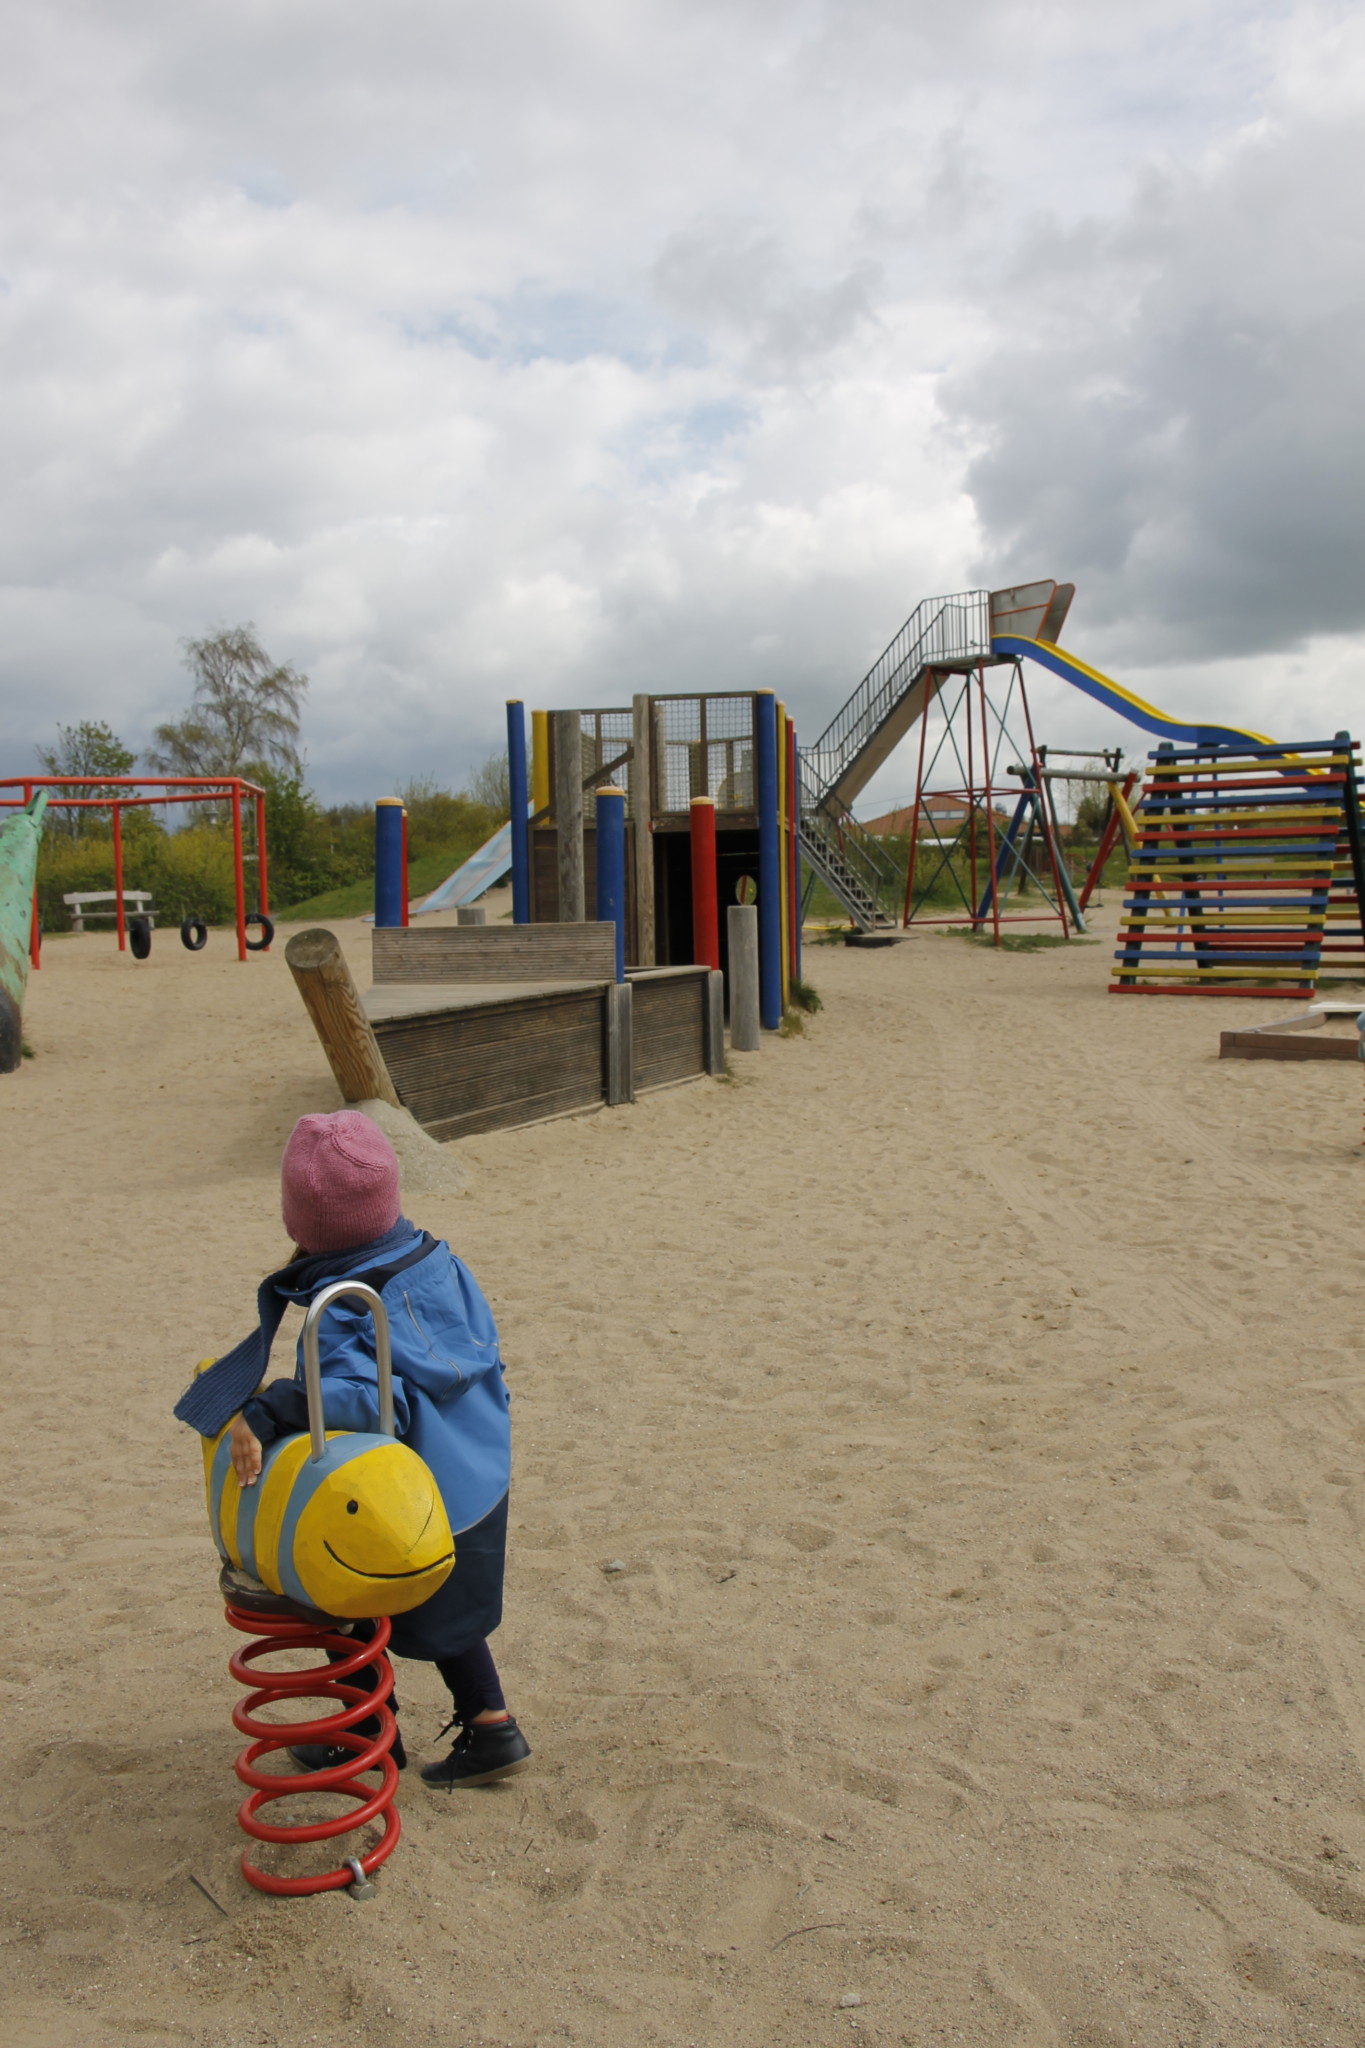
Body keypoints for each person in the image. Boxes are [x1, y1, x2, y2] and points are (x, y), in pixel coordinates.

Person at [173, 1109, 530, 1790]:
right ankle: (491, 1726)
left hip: (405, 1493)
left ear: (301, 1223)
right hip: (476, 1471)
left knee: (352, 1599)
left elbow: (365, 1397)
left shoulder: (348, 1302)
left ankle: (367, 1734)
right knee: (449, 1613)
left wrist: (275, 1403)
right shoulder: (434, 1258)